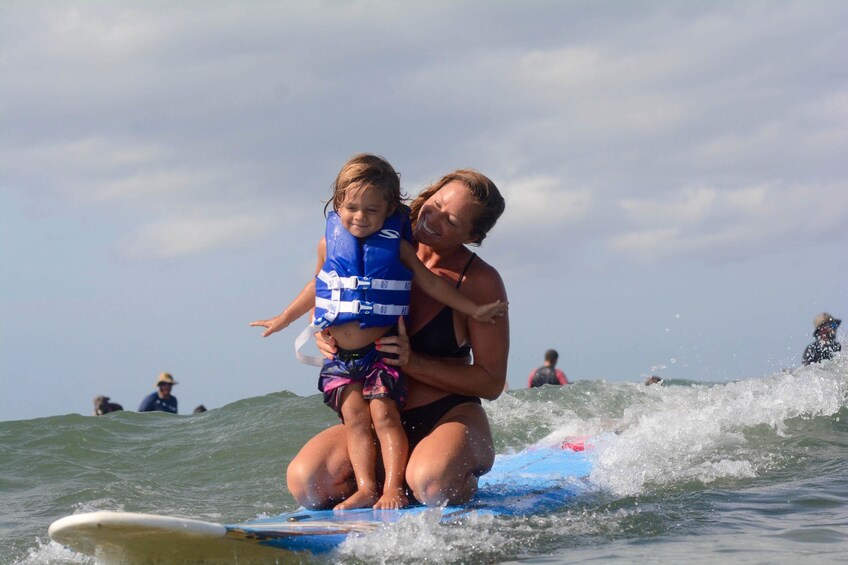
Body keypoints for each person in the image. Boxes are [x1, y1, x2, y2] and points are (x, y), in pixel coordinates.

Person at [251, 155, 507, 510]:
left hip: (447, 416)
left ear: (473, 236)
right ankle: (384, 486)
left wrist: (413, 362)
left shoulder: (479, 282)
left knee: (430, 483)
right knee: (308, 483)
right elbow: (325, 292)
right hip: (375, 419)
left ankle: (448, 480)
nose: (433, 220)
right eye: (434, 205)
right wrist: (323, 331)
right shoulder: (369, 240)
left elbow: (491, 383)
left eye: (451, 221)